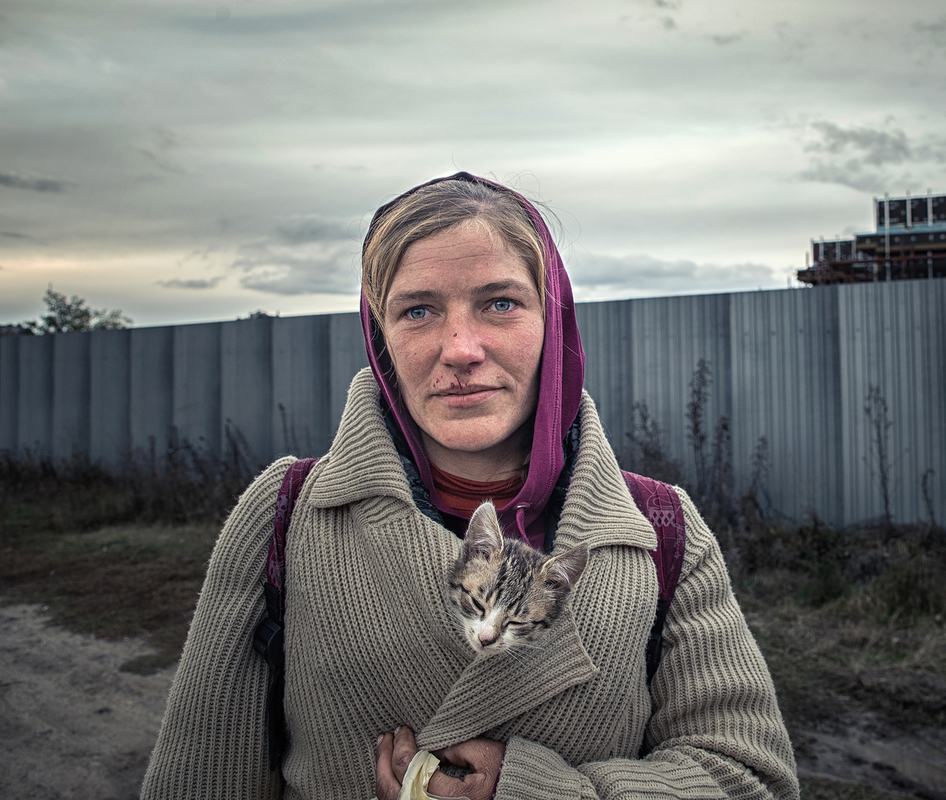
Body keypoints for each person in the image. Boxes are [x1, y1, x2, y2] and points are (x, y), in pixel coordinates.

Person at [141, 173, 800, 800]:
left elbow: (749, 777)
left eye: (500, 303)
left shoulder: (659, 530)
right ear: (380, 336)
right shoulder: (287, 515)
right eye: (419, 310)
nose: (459, 347)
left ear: (552, 322)